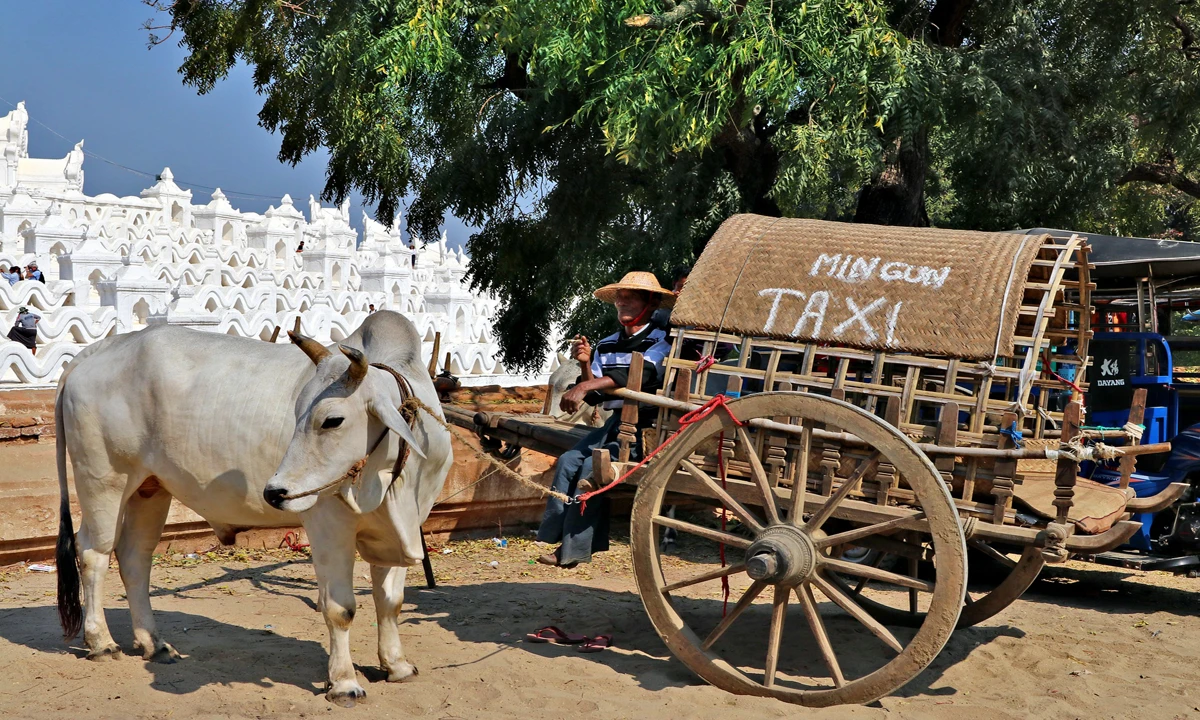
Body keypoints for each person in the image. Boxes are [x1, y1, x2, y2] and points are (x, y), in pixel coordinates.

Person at [536, 271, 674, 567]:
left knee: (591, 468)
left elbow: (640, 376)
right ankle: (555, 535)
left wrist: (585, 384)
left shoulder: (661, 342)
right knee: (568, 460)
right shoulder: (607, 344)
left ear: (649, 302)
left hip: (647, 429)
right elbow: (597, 394)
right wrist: (586, 369)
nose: (622, 302)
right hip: (615, 424)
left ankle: (571, 551)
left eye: (631, 297)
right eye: (619, 298)